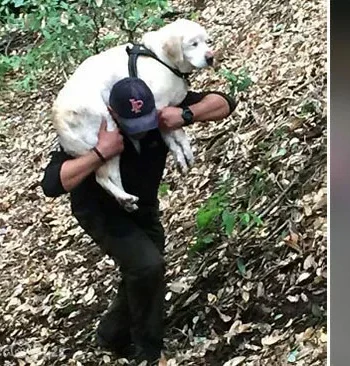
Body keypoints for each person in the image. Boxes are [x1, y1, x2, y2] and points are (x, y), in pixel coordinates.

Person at [41, 77, 236, 365]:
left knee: (146, 268)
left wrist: (185, 114)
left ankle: (112, 334)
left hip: (143, 207)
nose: (143, 130)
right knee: (147, 266)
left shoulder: (159, 109)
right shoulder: (92, 127)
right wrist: (99, 153)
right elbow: (52, 184)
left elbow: (225, 103)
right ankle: (149, 352)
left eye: (146, 121)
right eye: (133, 124)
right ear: (112, 112)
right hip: (100, 211)